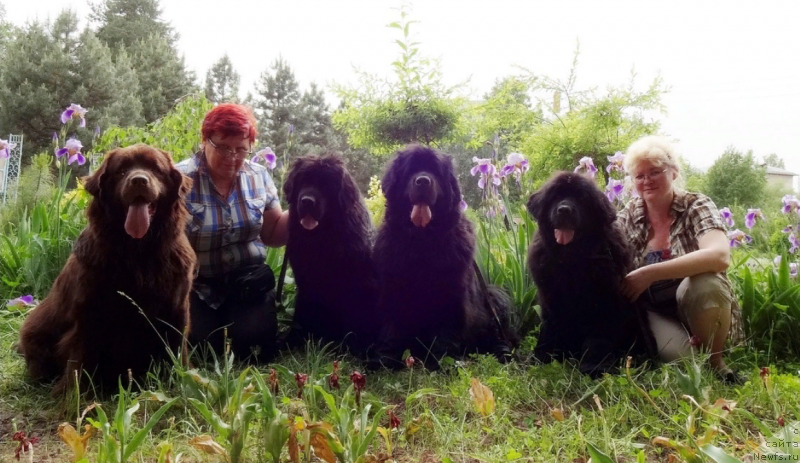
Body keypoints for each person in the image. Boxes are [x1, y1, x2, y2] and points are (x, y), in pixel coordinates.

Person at [616, 135, 744, 383]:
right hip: (654, 310)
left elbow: (719, 256)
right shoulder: (629, 214)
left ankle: (717, 362)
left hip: (695, 301)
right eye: (639, 176)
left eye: (654, 172)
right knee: (682, 357)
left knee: (707, 283)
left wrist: (650, 272)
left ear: (673, 172)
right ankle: (692, 349)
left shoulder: (696, 205)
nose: (647, 181)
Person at [176, 104, 288, 360]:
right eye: (223, 147)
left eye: (241, 149)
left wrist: (305, 207)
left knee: (251, 342)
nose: (232, 156)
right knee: (205, 346)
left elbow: (272, 235)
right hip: (197, 286)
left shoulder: (259, 176)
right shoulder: (179, 179)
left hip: (247, 282)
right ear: (205, 140)